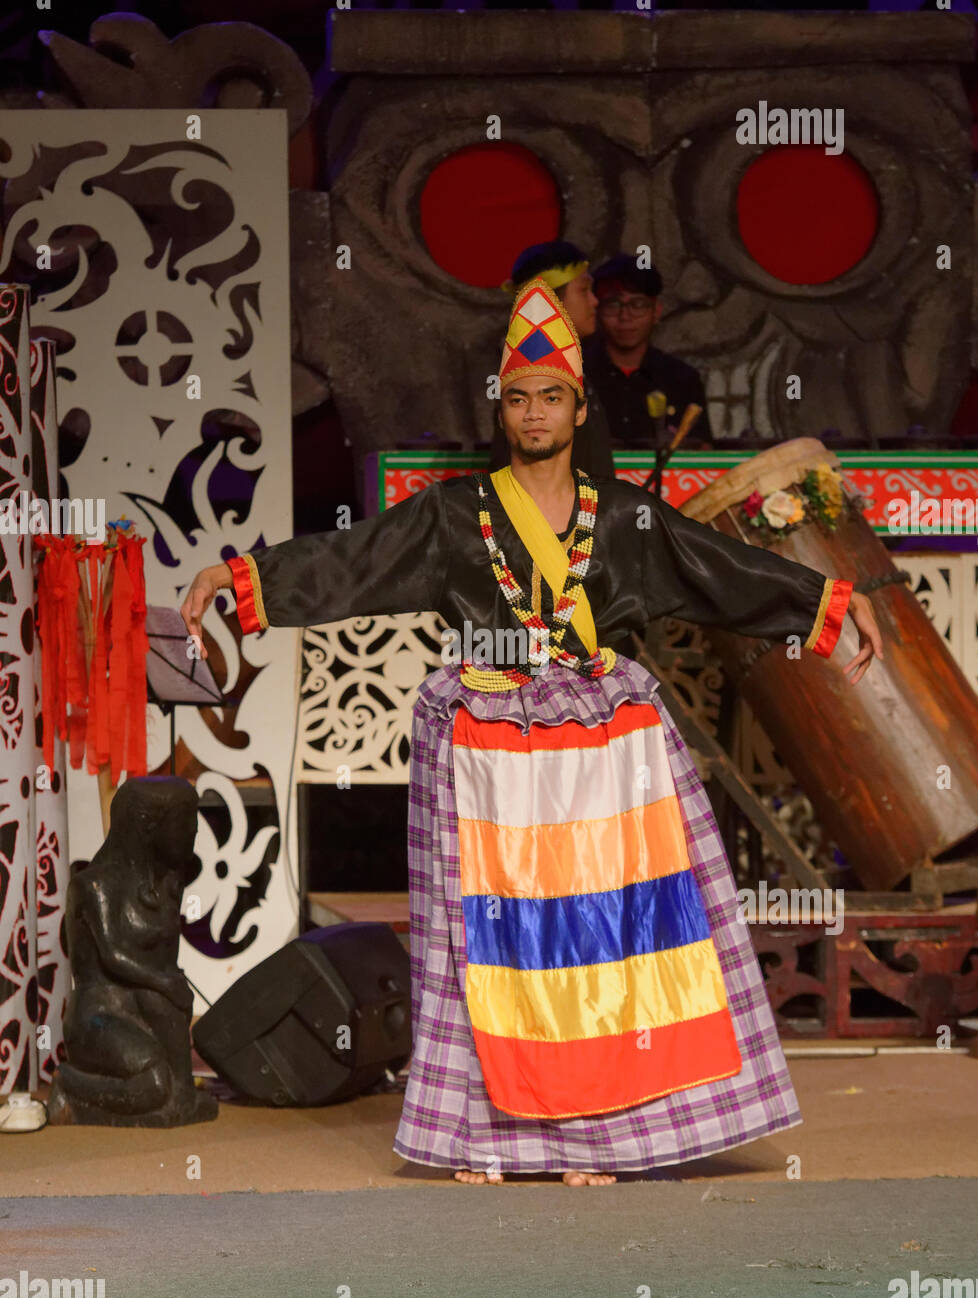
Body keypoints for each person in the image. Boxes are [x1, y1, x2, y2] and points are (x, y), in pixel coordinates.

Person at [181, 276, 882, 1186]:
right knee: (492, 946)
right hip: (489, 741)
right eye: (518, 397)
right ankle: (491, 1136)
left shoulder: (623, 515)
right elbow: (345, 565)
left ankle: (605, 1135)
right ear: (500, 409)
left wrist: (829, 599)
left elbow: (719, 568)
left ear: (578, 406)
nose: (534, 411)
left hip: (603, 740)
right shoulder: (452, 516)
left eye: (551, 396)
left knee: (607, 940)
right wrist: (236, 582)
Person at [488, 240, 615, 478]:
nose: (595, 302)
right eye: (584, 290)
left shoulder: (575, 369)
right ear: (550, 300)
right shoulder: (528, 377)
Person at [584, 253, 714, 447]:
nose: (625, 316)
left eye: (637, 304)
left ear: (656, 311)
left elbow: (703, 450)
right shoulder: (577, 373)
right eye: (613, 304)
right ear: (597, 310)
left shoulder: (682, 380)